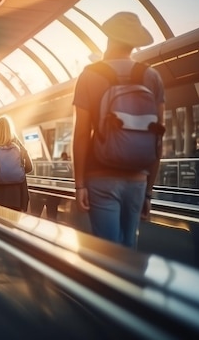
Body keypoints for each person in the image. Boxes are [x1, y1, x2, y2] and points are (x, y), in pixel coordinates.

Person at [72, 12, 165, 249]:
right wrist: (149, 191)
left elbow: (81, 133)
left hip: (100, 176)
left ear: (109, 38)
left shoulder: (90, 75)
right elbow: (158, 136)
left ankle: (107, 287)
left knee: (108, 252)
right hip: (138, 179)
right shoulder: (152, 76)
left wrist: (79, 184)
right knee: (129, 249)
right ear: (135, 43)